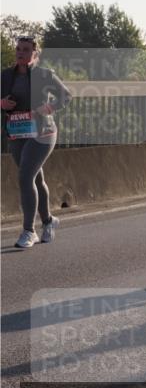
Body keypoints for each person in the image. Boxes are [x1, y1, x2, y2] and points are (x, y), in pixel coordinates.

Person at [1, 36, 72, 248]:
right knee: (36, 179)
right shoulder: (5, 76)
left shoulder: (44, 74)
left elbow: (66, 96)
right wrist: (2, 103)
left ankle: (28, 231)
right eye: (18, 49)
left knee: (25, 177)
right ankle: (49, 222)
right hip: (17, 131)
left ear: (35, 54)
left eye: (26, 50)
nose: (20, 52)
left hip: (43, 132)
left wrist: (48, 108)